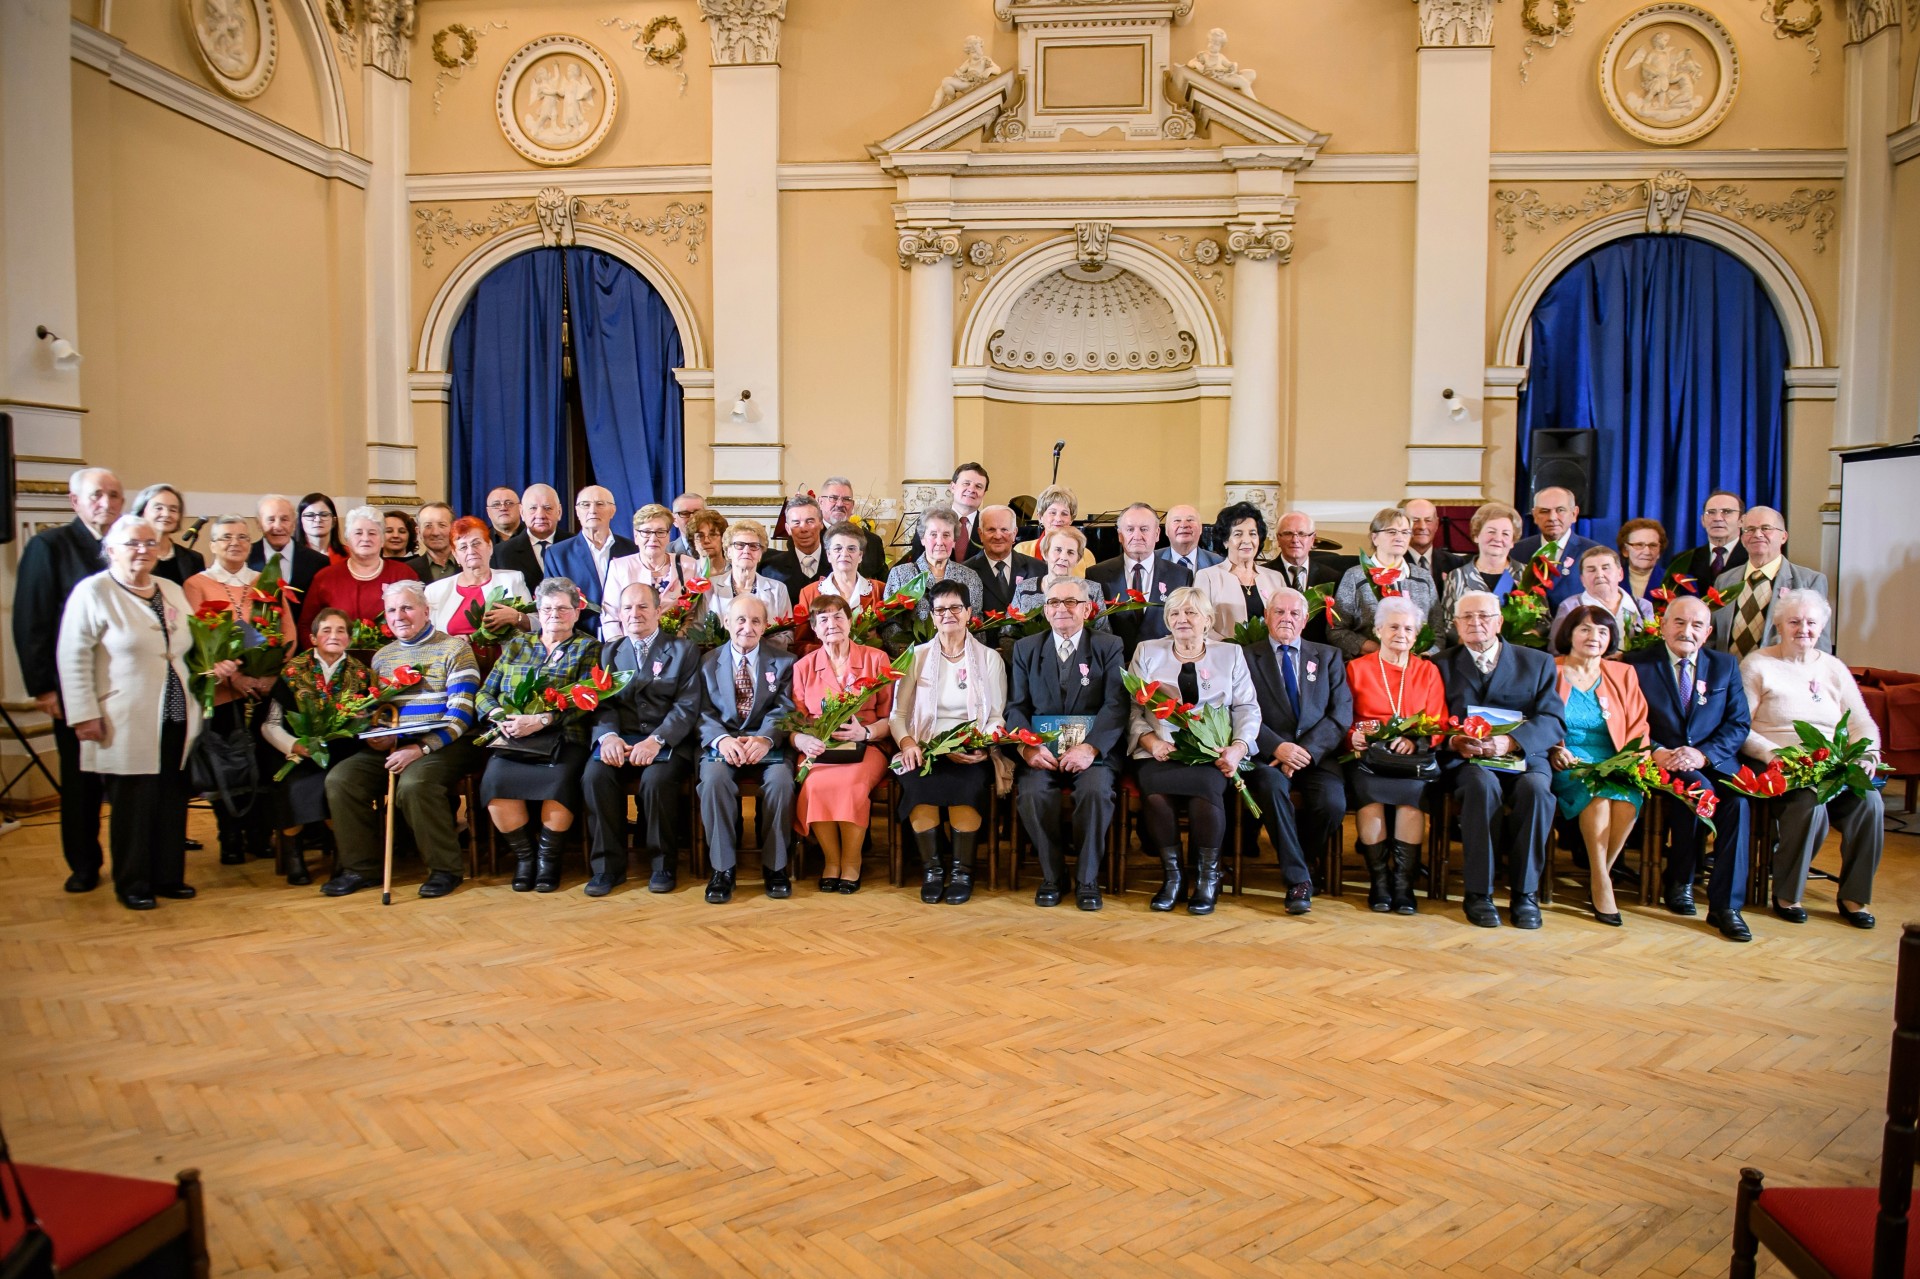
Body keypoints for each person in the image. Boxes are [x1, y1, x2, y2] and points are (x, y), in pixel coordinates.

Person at [57, 514, 212, 911]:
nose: (142, 550)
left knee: (171, 796)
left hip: (176, 710)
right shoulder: (93, 592)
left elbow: (192, 643)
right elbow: (72, 657)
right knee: (133, 802)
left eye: (148, 543)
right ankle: (133, 881)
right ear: (110, 549)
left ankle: (167, 876)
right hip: (123, 715)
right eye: (131, 543)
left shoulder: (170, 589)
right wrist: (83, 714)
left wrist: (218, 665)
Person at [321, 580, 480, 899]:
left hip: (443, 742)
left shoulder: (455, 648)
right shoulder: (382, 657)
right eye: (392, 610)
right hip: (393, 743)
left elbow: (462, 714)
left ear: (425, 610)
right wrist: (375, 735)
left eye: (407, 607)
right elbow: (379, 710)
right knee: (341, 780)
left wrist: (420, 749)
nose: (399, 616)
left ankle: (445, 869)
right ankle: (361, 868)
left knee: (414, 784)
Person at [1740, 589, 1884, 929]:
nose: (1802, 628)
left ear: (1822, 627)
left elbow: (1861, 720)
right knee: (1810, 803)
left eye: (1810, 622)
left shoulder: (1833, 667)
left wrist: (1867, 751)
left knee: (1871, 803)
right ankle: (1788, 893)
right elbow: (1740, 728)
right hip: (1778, 763)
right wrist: (1771, 753)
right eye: (1794, 621)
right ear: (1778, 624)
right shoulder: (1758, 663)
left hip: (1830, 762)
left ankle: (1855, 897)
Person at [14, 466, 124, 893]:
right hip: (74, 689)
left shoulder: (126, 546)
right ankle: (83, 863)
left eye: (114, 495)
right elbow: (32, 621)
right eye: (97, 495)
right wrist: (44, 688)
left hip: (124, 688)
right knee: (81, 784)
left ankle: (130, 861)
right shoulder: (50, 546)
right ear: (74, 501)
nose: (107, 503)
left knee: (122, 782)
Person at [1622, 595, 1754, 940]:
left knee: (1738, 804)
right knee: (1698, 790)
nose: (1687, 631)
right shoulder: (1637, 665)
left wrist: (1703, 755)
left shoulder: (1724, 666)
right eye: (1679, 622)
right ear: (1663, 626)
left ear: (1707, 632)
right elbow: (1626, 722)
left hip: (1714, 760)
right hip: (1661, 761)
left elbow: (1738, 724)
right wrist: (1655, 751)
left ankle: (1726, 907)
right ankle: (1680, 879)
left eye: (1696, 625)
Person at [1435, 591, 1567, 929]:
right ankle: (1478, 893)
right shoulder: (1440, 664)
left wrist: (1511, 741)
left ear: (1499, 622)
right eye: (1466, 617)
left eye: (1483, 616)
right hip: (1469, 761)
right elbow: (1430, 720)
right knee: (1481, 786)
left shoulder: (1535, 662)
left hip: (1523, 756)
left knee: (1537, 791)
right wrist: (1454, 741)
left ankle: (1525, 894)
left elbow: (1553, 721)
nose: (1475, 623)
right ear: (1455, 625)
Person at [1126, 585, 1259, 915]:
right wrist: (1151, 742)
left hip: (1212, 753)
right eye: (1174, 612)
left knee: (1205, 791)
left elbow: (1247, 707)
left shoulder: (1230, 654)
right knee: (1155, 794)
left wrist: (1238, 749)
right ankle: (1172, 878)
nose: (1181, 618)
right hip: (1159, 750)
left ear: (1208, 620)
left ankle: (1206, 878)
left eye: (1190, 612)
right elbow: (1130, 709)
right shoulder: (1147, 651)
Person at [1005, 578, 1128, 910]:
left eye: (1071, 602)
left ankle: (1087, 879)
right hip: (1041, 752)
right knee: (1032, 794)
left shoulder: (1108, 645)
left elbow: (1116, 704)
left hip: (1093, 753)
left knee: (1096, 793)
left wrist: (1090, 748)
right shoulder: (1026, 648)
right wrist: (1028, 747)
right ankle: (1053, 875)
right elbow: (1016, 707)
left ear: (1087, 609)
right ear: (1045, 611)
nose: (1062, 608)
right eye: (1054, 602)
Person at [182, 514, 296, 866]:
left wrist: (270, 676)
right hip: (222, 692)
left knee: (263, 762)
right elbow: (194, 641)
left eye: (243, 537)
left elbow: (287, 633)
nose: (235, 542)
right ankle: (229, 835)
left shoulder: (266, 582)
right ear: (212, 544)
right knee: (227, 763)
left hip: (264, 690)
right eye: (226, 537)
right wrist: (235, 678)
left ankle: (259, 834)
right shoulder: (196, 585)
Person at [477, 578, 600, 895]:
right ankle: (525, 858)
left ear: (576, 613)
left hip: (564, 737)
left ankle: (548, 860)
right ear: (538, 612)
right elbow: (484, 695)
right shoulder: (518, 645)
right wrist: (503, 718)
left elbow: (587, 701)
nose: (554, 614)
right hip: (513, 736)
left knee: (560, 782)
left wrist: (543, 719)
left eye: (562, 608)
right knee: (495, 781)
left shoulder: (588, 648)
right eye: (547, 608)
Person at [890, 579, 1007, 906]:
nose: (948, 615)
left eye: (956, 607)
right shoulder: (916, 656)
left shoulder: (988, 659)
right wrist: (908, 743)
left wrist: (981, 744)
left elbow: (997, 717)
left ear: (969, 612)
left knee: (967, 789)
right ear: (932, 615)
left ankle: (961, 872)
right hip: (924, 748)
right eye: (940, 609)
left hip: (971, 750)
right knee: (918, 789)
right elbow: (897, 715)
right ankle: (933, 870)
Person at [581, 582, 701, 896]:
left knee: (657, 781)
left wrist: (657, 740)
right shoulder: (607, 652)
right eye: (628, 608)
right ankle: (607, 868)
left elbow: (687, 705)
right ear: (619, 614)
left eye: (643, 606)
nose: (636, 614)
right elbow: (601, 703)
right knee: (595, 777)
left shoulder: (683, 650)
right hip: (620, 738)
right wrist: (607, 737)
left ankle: (662, 865)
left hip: (667, 741)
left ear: (659, 611)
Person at [1242, 589, 1351, 916]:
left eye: (1294, 614)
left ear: (1305, 620)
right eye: (1279, 612)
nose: (1286, 619)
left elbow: (1341, 713)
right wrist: (1278, 747)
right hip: (1267, 755)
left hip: (1316, 756)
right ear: (1267, 617)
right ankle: (1298, 880)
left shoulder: (1328, 656)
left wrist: (1304, 751)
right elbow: (1240, 710)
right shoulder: (1246, 657)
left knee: (1332, 804)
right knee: (1272, 789)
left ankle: (1300, 856)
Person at [1338, 595, 1445, 916]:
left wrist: (1415, 740)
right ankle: (1379, 881)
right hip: (1366, 756)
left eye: (1409, 629)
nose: (1401, 633)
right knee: (1370, 798)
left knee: (1410, 798)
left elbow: (1438, 719)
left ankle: (1403, 883)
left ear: (1417, 635)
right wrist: (1351, 736)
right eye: (1394, 626)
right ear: (1379, 630)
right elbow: (1341, 715)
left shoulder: (1427, 671)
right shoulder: (1356, 668)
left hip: (1410, 759)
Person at [1546, 606, 1650, 926]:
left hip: (1614, 757)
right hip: (1570, 759)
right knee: (1600, 797)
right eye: (1585, 629)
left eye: (1602, 632)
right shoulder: (1549, 669)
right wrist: (1552, 749)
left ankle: (1599, 872)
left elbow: (1639, 724)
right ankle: (1601, 884)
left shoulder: (1623, 673)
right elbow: (1536, 717)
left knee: (1627, 800)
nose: (1594, 637)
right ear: (1570, 634)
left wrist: (1634, 760)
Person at [695, 594, 799, 904]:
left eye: (756, 621)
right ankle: (723, 869)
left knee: (781, 782)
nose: (747, 627)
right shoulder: (707, 662)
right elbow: (701, 711)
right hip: (723, 741)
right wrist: (722, 740)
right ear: (726, 622)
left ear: (766, 625)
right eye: (740, 619)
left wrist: (765, 738)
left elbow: (785, 708)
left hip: (767, 743)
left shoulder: (784, 662)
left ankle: (776, 866)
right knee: (713, 781)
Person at [789, 594, 896, 892]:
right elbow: (794, 723)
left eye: (838, 617)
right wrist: (803, 740)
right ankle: (831, 861)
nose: (831, 624)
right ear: (814, 627)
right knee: (815, 785)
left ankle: (851, 863)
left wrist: (866, 733)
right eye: (823, 619)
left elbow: (893, 717)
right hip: (819, 750)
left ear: (851, 622)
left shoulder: (876, 660)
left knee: (851, 786)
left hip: (866, 747)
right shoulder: (803, 667)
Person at [260, 607, 373, 886]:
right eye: (326, 630)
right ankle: (294, 852)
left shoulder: (361, 674)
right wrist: (295, 745)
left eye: (341, 631)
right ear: (312, 639)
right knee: (292, 783)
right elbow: (269, 724)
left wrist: (363, 720)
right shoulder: (292, 671)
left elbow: (371, 719)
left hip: (342, 752)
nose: (334, 636)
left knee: (337, 782)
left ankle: (341, 852)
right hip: (295, 752)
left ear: (349, 639)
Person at [1711, 505, 1831, 657]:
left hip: (1780, 674)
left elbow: (1820, 646)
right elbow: (1712, 636)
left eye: (1766, 528)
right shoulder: (1725, 581)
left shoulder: (1810, 581)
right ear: (1742, 539)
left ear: (1783, 537)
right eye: (1750, 529)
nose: (1757, 534)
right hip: (1729, 676)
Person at [1088, 502, 1193, 659]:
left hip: (1163, 664)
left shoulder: (1180, 575)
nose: (1137, 536)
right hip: (1114, 664)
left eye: (1144, 529)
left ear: (1157, 534)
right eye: (1130, 529)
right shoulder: (1096, 575)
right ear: (1120, 535)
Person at [1330, 506, 1439, 657]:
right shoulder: (1356, 576)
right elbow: (1336, 630)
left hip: (1417, 667)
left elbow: (1438, 631)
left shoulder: (1423, 578)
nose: (1399, 537)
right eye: (1391, 532)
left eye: (1405, 532)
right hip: (1369, 664)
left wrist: (1424, 655)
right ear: (1374, 538)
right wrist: (1378, 651)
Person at [299, 506, 420, 634]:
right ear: (347, 539)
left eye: (372, 533)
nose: (365, 538)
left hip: (394, 652)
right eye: (358, 533)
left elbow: (418, 620)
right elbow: (306, 625)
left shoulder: (403, 574)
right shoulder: (325, 578)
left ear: (382, 540)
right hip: (337, 653)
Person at [600, 504, 701, 641]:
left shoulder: (688, 565)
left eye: (660, 532)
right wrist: (620, 650)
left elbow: (693, 613)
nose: (653, 539)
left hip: (677, 646)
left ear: (668, 536)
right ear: (636, 536)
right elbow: (610, 617)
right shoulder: (619, 567)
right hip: (631, 646)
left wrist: (680, 639)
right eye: (646, 532)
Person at [424, 517, 531, 637]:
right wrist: (450, 644)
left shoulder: (512, 579)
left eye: (476, 543)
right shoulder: (435, 591)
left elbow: (536, 623)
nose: (471, 551)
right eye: (463, 547)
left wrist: (517, 617)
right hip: (455, 655)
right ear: (455, 555)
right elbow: (428, 640)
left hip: (508, 655)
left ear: (489, 546)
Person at [1194, 502, 1287, 641]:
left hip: (1268, 657)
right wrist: (1233, 648)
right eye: (1238, 534)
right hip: (1225, 655)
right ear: (1225, 541)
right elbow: (1200, 625)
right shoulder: (1207, 577)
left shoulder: (1275, 578)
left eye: (1252, 534)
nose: (1247, 540)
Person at [545, 485, 636, 621]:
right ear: (577, 511)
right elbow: (553, 602)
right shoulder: (558, 554)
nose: (593, 510)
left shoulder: (631, 549)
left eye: (600, 504)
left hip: (625, 632)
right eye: (585, 505)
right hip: (580, 635)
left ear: (613, 511)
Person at [795, 521, 888, 653]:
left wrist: (875, 639)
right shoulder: (809, 592)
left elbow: (890, 639)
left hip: (869, 667)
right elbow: (800, 645)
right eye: (838, 548)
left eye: (851, 548)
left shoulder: (879, 589)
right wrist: (833, 651)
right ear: (828, 555)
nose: (844, 554)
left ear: (860, 555)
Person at [1439, 501, 1522, 642]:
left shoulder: (1526, 574)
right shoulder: (1457, 576)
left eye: (1506, 534)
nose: (1498, 538)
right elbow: (1447, 623)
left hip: (1515, 655)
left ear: (1513, 541)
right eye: (1491, 532)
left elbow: (1543, 622)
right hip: (1469, 652)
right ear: (1476, 535)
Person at [1511, 486, 1602, 612]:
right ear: (1535, 515)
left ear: (1574, 514)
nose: (1552, 517)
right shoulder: (1517, 551)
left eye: (1560, 510)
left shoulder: (1594, 553)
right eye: (1544, 511)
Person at [885, 505, 983, 620]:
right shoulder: (900, 574)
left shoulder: (970, 577)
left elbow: (976, 623)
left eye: (946, 535)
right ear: (922, 539)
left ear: (954, 541)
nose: (940, 542)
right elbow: (890, 623)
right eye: (933, 534)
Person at [709, 519, 794, 648]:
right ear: (728, 551)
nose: (746, 550)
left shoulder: (777, 589)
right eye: (739, 545)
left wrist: (755, 647)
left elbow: (787, 634)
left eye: (754, 546)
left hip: (766, 659)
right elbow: (700, 631)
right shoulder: (710, 588)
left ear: (760, 554)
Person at [1009, 527, 1111, 630]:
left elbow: (1104, 633)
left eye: (1070, 552)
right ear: (1045, 553)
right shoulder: (1024, 588)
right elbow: (1007, 633)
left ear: (1077, 559)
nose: (1063, 557)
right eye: (1058, 550)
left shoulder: (1093, 590)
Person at [1551, 547, 1653, 647]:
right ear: (1582, 579)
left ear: (1620, 574)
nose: (1599, 575)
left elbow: (1653, 647)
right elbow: (1556, 650)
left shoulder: (1643, 606)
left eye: (1605, 568)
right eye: (1591, 570)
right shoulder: (1570, 607)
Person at [900, 463, 989, 565]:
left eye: (978, 486)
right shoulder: (929, 521)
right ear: (952, 487)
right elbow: (919, 559)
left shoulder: (988, 526)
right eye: (966, 483)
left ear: (984, 493)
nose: (971, 490)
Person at [963, 504, 1043, 619]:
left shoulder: (1038, 569)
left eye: (1004, 529)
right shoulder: (966, 572)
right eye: (991, 530)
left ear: (1014, 534)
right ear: (980, 534)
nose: (998, 536)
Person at [249, 493, 330, 598]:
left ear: (294, 523)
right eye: (271, 520)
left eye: (284, 519)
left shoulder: (318, 562)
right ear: (259, 524)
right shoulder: (246, 559)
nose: (278, 526)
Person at [1667, 490, 1747, 591]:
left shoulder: (1753, 557)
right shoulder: (1683, 561)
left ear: (1742, 521)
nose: (1717, 518)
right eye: (1711, 512)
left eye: (1726, 512)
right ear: (1703, 520)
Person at [816, 476, 891, 580]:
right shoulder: (810, 538)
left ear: (852, 505)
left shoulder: (872, 541)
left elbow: (883, 583)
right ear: (820, 502)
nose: (840, 504)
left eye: (846, 499)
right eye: (833, 498)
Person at [131, 483, 205, 586]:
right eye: (159, 508)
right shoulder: (131, 554)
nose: (166, 514)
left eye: (173, 510)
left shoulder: (194, 559)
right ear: (142, 512)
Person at [493, 483, 562, 589]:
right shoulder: (502, 553)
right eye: (533, 508)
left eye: (547, 508)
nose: (540, 515)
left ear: (559, 512)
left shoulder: (576, 546)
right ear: (522, 512)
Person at [1013, 485, 1094, 571]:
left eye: (1064, 514)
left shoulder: (1086, 555)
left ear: (1071, 519)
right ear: (1040, 517)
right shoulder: (1021, 550)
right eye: (1052, 512)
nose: (1058, 519)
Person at [761, 495, 830, 590]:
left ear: (821, 523)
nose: (804, 529)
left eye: (810, 521)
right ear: (788, 529)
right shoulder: (770, 571)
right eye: (796, 523)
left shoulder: (838, 564)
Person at [1400, 498, 1464, 581]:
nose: (1422, 527)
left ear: (1436, 524)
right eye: (1415, 520)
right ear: (1404, 524)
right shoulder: (1394, 562)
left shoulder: (1455, 563)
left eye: (1428, 520)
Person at [1159, 504, 1223, 573]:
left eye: (1190, 520)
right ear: (1166, 530)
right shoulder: (1152, 560)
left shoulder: (1218, 563)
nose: (1183, 525)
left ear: (1201, 528)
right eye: (1177, 520)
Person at [405, 502, 459, 584]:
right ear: (418, 531)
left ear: (454, 529)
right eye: (428, 526)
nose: (435, 533)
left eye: (442, 525)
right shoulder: (408, 569)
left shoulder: (469, 564)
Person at [1617, 518, 1668, 605]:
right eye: (1639, 545)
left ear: (1659, 551)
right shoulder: (1611, 580)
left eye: (1653, 545)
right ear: (1625, 550)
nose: (1647, 552)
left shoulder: (1677, 583)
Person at [296, 492, 347, 565]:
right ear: (300, 521)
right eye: (310, 515)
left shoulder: (349, 555)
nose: (318, 520)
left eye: (324, 515)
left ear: (334, 521)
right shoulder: (292, 555)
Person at [685, 508, 730, 578]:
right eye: (700, 536)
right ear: (693, 541)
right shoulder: (686, 572)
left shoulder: (735, 571)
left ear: (723, 538)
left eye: (713, 535)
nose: (706, 540)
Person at [667, 491, 704, 557]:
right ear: (674, 520)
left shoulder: (723, 549)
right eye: (685, 513)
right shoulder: (666, 552)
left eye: (698, 513)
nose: (693, 518)